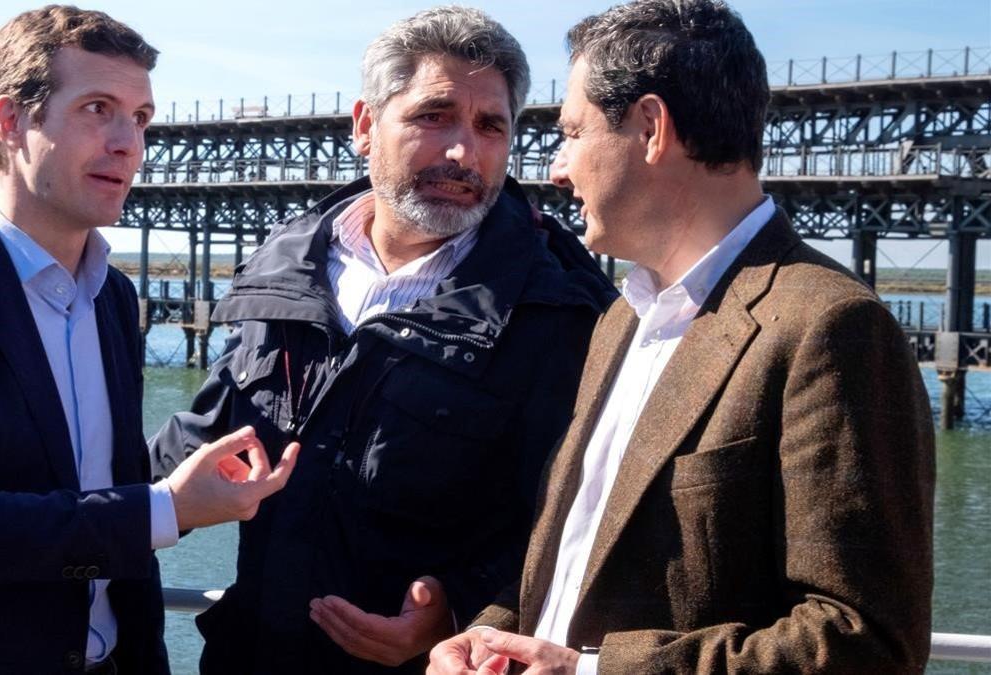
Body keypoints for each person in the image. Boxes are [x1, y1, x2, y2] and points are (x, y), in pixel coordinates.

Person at [427, 1, 936, 673]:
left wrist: (589, 670)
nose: (556, 168)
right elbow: (577, 554)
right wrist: (487, 635)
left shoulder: (831, 326)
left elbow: (866, 641)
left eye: (572, 132)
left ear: (650, 127)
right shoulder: (620, 320)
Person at [148, 6, 617, 673]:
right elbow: (208, 438)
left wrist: (459, 611)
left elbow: (586, 524)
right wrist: (86, 515)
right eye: (435, 116)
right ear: (365, 126)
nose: (464, 152)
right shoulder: (288, 271)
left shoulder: (562, 312)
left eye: (491, 126)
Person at [0, 6, 297, 673]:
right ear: (10, 120)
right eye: (97, 108)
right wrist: (164, 507)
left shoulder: (114, 296)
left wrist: (189, 488)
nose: (129, 143)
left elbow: (97, 481)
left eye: (140, 118)